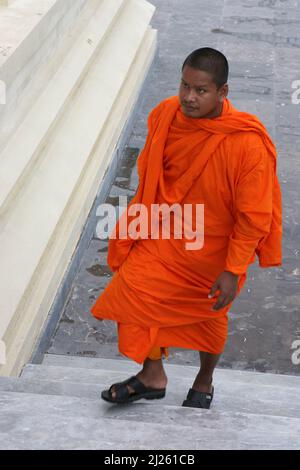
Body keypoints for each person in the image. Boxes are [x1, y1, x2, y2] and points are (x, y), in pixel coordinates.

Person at [90, 47, 282, 409]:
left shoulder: (246, 143)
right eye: (185, 85)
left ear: (222, 92)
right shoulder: (165, 114)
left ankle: (204, 380)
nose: (189, 98)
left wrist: (233, 268)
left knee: (210, 315)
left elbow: (253, 215)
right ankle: (153, 375)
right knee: (131, 292)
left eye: (201, 90)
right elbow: (153, 175)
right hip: (166, 233)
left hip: (214, 250)